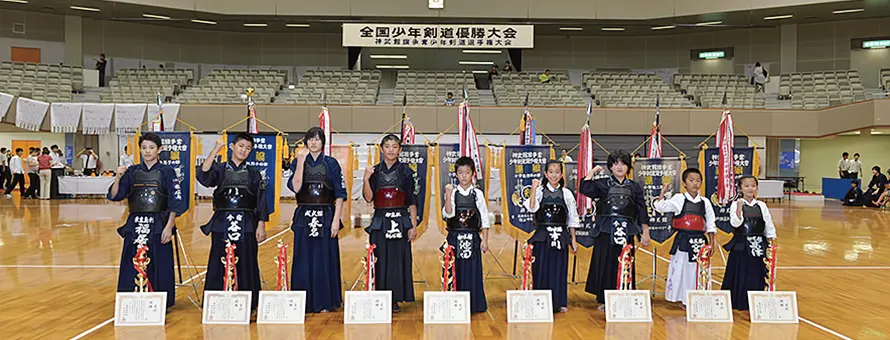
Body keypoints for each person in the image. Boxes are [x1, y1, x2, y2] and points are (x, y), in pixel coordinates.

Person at [107, 133, 186, 307]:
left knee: (160, 262)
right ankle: (130, 296)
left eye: (151, 148)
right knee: (133, 259)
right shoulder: (133, 171)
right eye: (144, 148)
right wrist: (118, 177)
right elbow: (115, 195)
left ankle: (160, 301)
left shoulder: (167, 172)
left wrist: (169, 226)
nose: (147, 151)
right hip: (136, 222)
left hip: (159, 221)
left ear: (160, 150)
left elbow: (175, 200)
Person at [198, 133, 269, 310]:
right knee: (218, 259)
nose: (244, 150)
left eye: (248, 148)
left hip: (247, 223)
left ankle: (249, 302)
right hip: (222, 222)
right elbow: (204, 174)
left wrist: (261, 224)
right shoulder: (220, 169)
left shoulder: (254, 173)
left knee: (247, 260)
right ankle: (216, 299)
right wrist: (215, 149)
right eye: (241, 146)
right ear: (232, 146)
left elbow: (261, 200)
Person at [579, 150, 651, 311]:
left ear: (628, 167)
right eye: (616, 163)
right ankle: (604, 298)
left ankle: (625, 293)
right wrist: (593, 171)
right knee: (605, 262)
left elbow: (642, 210)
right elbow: (584, 187)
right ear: (610, 167)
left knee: (626, 261)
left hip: (627, 230)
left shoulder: (634, 187)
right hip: (606, 229)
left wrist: (645, 231)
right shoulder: (603, 183)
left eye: (623, 163)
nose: (619, 167)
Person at [289, 127, 346, 313]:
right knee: (303, 258)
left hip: (326, 214)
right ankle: (302, 301)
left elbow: (339, 193)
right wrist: (300, 162)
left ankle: (325, 301)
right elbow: (296, 188)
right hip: (304, 215)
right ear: (305, 142)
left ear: (323, 142)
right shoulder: (298, 162)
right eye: (310, 139)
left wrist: (336, 219)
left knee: (324, 258)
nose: (313, 142)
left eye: (317, 139)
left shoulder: (331, 163)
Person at [362, 134, 418, 313]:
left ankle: (395, 298)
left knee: (397, 260)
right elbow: (369, 198)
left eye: (395, 146)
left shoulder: (406, 172)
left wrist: (413, 225)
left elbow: (412, 200)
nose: (391, 150)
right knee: (380, 258)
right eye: (387, 146)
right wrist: (365, 179)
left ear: (400, 150)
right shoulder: (374, 171)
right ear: (381, 149)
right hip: (380, 220)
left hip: (400, 220)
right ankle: (379, 295)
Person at [653, 168, 717, 309]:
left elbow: (710, 223)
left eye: (698, 180)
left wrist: (712, 243)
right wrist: (663, 191)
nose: (695, 183)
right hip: (683, 239)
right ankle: (682, 298)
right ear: (684, 183)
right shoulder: (679, 198)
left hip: (699, 241)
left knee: (697, 270)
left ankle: (697, 297)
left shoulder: (705, 202)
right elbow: (659, 206)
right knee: (682, 269)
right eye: (691, 180)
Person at [524, 160, 579, 313]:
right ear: (545, 174)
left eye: (557, 172)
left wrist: (573, 239)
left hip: (560, 235)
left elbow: (572, 217)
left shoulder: (566, 193)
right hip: (543, 235)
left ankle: (559, 301)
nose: (554, 175)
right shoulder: (540, 191)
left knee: (559, 268)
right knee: (541, 267)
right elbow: (531, 207)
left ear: (561, 174)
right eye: (551, 172)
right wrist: (534, 189)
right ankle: (539, 298)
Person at [442, 156, 490, 313]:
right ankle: (454, 302)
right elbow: (448, 214)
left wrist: (485, 240)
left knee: (472, 269)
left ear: (473, 174)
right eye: (460, 172)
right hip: (455, 236)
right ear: (456, 174)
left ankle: (474, 303)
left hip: (473, 236)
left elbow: (484, 217)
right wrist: (448, 196)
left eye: (467, 172)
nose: (464, 176)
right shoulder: (453, 192)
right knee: (455, 269)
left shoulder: (477, 194)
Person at [722, 176, 777, 310]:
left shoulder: (761, 205)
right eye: (746, 186)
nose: (750, 188)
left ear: (756, 188)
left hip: (758, 243)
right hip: (742, 243)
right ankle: (738, 300)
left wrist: (771, 239)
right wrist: (739, 209)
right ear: (740, 188)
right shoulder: (736, 204)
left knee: (757, 271)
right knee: (741, 271)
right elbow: (735, 223)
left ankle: (756, 299)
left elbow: (768, 223)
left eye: (753, 185)